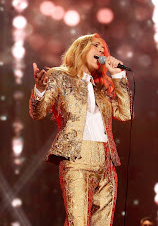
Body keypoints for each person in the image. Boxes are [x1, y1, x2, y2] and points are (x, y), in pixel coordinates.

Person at [29, 33, 132, 226]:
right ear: (81, 49)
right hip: (77, 158)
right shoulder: (59, 76)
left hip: (106, 161)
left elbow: (126, 114)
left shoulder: (102, 87)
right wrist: (40, 90)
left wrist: (118, 76)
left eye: (104, 49)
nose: (102, 51)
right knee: (78, 222)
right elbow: (38, 112)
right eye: (96, 46)